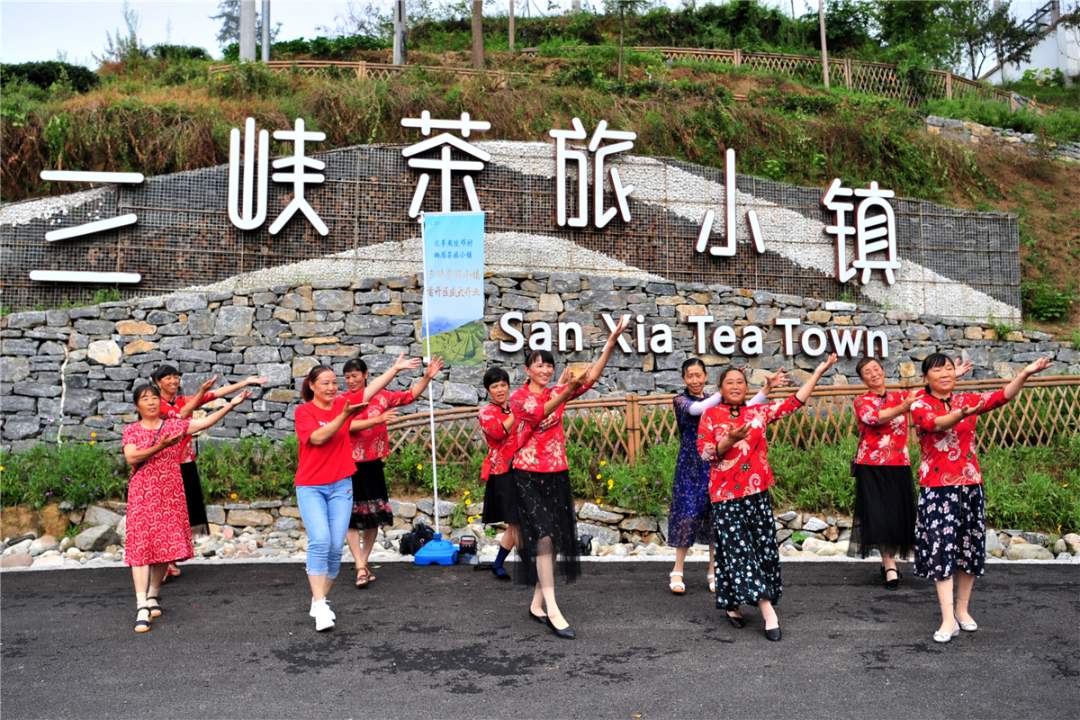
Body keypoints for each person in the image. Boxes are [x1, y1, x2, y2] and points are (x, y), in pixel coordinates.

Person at [910, 353, 1051, 643]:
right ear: (926, 378)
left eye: (949, 368)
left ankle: (962, 610)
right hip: (937, 488)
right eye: (938, 370)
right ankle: (947, 618)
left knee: (968, 548)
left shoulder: (966, 400)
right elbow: (936, 424)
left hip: (971, 484)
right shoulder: (920, 404)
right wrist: (961, 414)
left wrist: (1024, 373)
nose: (946, 373)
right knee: (942, 549)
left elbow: (1002, 396)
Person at [698, 354, 838, 641]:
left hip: (757, 492)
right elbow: (706, 452)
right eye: (729, 382)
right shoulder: (710, 415)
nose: (735, 386)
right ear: (720, 389)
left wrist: (819, 372)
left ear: (746, 388)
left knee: (759, 550)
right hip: (725, 495)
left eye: (740, 382)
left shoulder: (757, 412)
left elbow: (794, 402)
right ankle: (767, 611)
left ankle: (731, 603)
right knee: (739, 550)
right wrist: (730, 440)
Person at [510, 316, 630, 640]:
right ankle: (552, 607)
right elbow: (539, 413)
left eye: (549, 366)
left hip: (556, 473)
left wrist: (610, 342)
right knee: (545, 538)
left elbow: (589, 377)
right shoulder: (519, 398)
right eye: (539, 366)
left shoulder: (558, 390)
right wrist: (567, 392)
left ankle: (536, 603)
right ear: (527, 370)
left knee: (553, 538)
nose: (545, 370)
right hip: (526, 474)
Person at [122, 383, 249, 633]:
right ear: (137, 405)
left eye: (154, 398)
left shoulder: (173, 426)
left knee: (164, 546)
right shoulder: (132, 431)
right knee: (141, 547)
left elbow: (205, 423)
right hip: (142, 494)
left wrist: (231, 405)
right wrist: (161, 446)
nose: (151, 402)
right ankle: (141, 605)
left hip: (170, 494)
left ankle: (153, 594)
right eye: (145, 399)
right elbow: (132, 457)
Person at [293, 363, 408, 631]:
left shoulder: (342, 403)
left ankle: (318, 597)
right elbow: (319, 438)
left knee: (335, 548)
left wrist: (396, 368)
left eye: (335, 383)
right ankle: (321, 606)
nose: (332, 387)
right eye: (325, 383)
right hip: (311, 486)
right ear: (311, 386)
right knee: (320, 540)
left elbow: (371, 389)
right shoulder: (304, 412)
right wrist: (343, 416)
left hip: (341, 485)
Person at [667, 360, 787, 595]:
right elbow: (697, 410)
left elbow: (746, 408)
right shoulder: (681, 401)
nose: (694, 380)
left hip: (718, 464)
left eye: (698, 375)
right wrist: (724, 391)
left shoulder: (718, 402)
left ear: (705, 376)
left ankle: (714, 571)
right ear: (684, 379)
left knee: (716, 517)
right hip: (691, 465)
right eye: (690, 376)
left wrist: (765, 391)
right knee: (687, 515)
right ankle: (677, 570)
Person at [849, 356, 970, 589]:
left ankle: (892, 562)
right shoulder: (862, 400)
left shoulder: (900, 396)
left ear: (883, 371)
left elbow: (927, 391)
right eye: (867, 371)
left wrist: (954, 374)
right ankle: (890, 565)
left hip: (899, 463)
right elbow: (874, 418)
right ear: (863, 378)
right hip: (871, 466)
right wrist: (903, 408)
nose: (873, 373)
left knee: (897, 514)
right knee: (878, 515)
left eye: (876, 368)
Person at [151, 365, 268, 580]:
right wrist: (202, 394)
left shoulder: (183, 400)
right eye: (168, 378)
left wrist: (245, 382)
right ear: (158, 383)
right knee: (166, 512)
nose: (173, 381)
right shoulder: (156, 405)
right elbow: (181, 415)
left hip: (185, 462)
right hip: (164, 466)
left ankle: (171, 559)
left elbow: (216, 394)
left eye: (176, 377)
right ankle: (163, 560)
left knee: (183, 512)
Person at [342, 354, 444, 588]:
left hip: (373, 464)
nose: (350, 381)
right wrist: (378, 420)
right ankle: (359, 566)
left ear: (365, 375)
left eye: (354, 376)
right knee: (350, 519)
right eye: (347, 377)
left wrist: (427, 377)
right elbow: (347, 426)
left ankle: (363, 563)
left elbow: (410, 396)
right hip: (349, 464)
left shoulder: (382, 397)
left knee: (372, 518)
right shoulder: (344, 401)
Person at [477, 366, 522, 581]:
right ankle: (531, 565)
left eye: (503, 385)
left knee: (518, 521)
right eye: (495, 386)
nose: (500, 389)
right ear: (488, 390)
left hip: (523, 466)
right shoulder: (485, 412)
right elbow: (498, 432)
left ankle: (498, 563)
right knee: (517, 521)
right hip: (503, 470)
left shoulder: (513, 407)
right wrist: (516, 413)